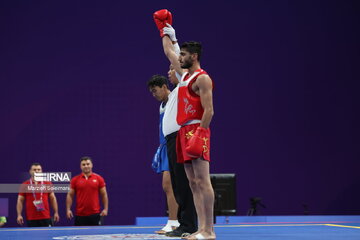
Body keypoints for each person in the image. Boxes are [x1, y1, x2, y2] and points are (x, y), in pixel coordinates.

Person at [153, 9, 198, 238]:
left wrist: (166, 31)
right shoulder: (180, 86)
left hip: (180, 137)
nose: (171, 71)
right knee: (180, 184)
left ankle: (190, 225)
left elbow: (170, 52)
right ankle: (184, 224)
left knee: (184, 183)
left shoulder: (185, 79)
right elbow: (172, 52)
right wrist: (169, 32)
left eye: (174, 69)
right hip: (173, 139)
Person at [176, 41, 216, 240]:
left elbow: (209, 110)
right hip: (183, 130)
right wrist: (165, 30)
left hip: (197, 129)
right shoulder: (184, 76)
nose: (179, 57)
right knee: (193, 182)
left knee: (203, 180)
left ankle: (209, 231)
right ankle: (201, 228)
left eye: (183, 54)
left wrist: (201, 133)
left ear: (194, 56)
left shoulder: (203, 78)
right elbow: (168, 51)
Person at [148, 75, 180, 234]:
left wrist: (172, 50)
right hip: (165, 147)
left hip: (175, 145)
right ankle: (174, 221)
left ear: (164, 86)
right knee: (169, 186)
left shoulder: (175, 96)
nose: (154, 95)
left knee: (169, 185)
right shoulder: (162, 105)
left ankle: (174, 222)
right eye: (151, 93)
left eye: (155, 91)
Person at [66, 156, 108, 226]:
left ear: (92, 165)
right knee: (79, 236)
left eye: (88, 164)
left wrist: (105, 209)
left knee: (96, 236)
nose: (86, 166)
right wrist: (68, 209)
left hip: (95, 215)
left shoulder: (99, 178)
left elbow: (104, 194)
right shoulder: (75, 180)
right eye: (83, 164)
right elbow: (70, 195)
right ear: (80, 166)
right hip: (80, 215)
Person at [16, 163, 60, 227]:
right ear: (30, 171)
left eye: (39, 169)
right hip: (31, 218)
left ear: (41, 171)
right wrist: (19, 215)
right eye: (34, 169)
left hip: (45, 217)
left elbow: (53, 199)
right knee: (32, 237)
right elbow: (20, 200)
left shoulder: (47, 183)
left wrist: (56, 212)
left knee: (46, 236)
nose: (36, 171)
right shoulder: (24, 185)